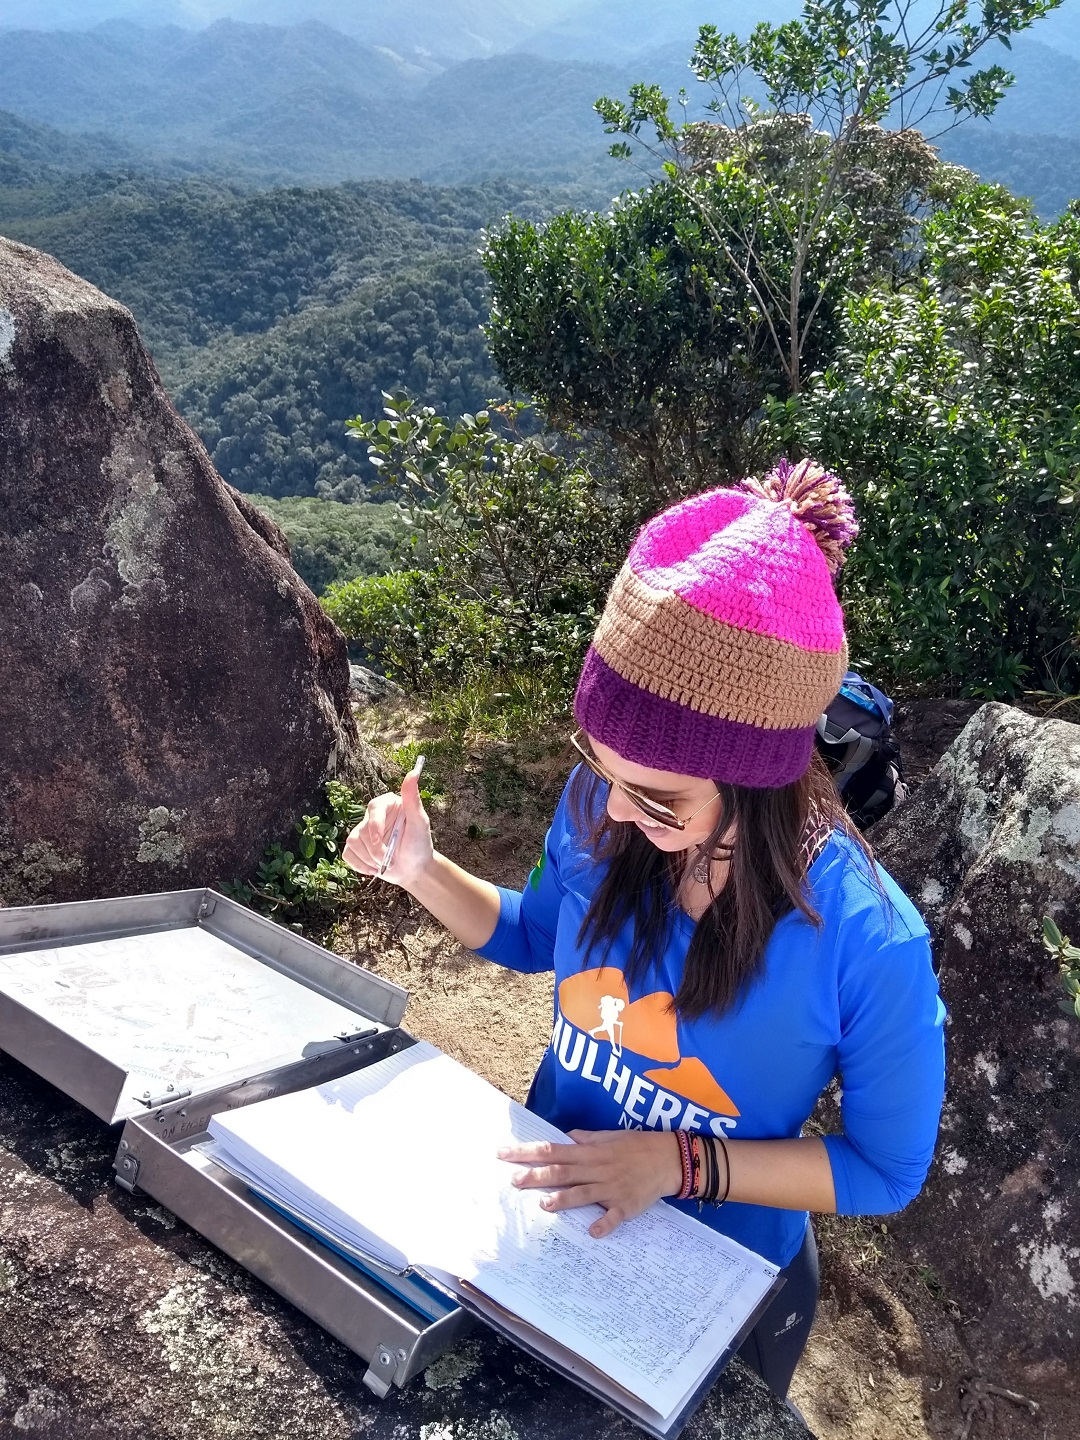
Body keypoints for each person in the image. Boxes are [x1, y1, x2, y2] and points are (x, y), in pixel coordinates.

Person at [342, 459, 946, 1402]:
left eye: (658, 797)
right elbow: (534, 935)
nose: (616, 812)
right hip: (550, 1219)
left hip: (719, 1279)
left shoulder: (871, 942)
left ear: (761, 775)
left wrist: (677, 1162)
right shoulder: (603, 802)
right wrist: (419, 867)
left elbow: (884, 1169)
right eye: (603, 767)